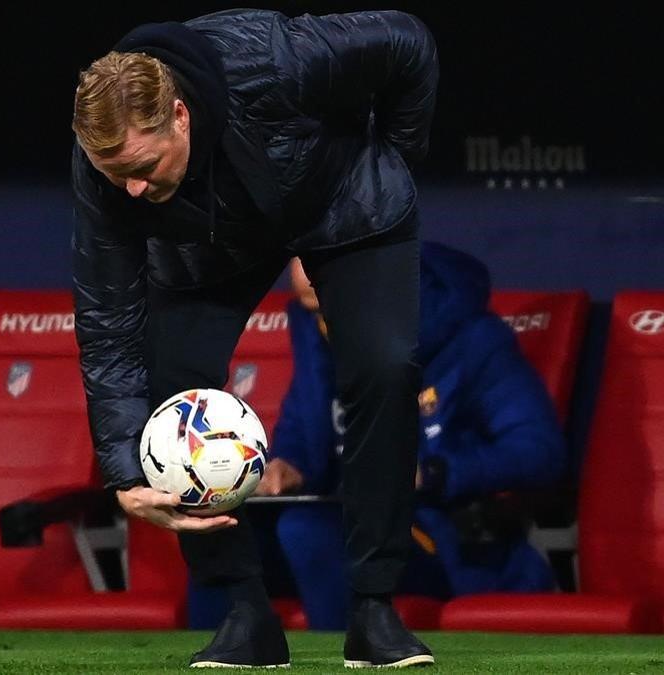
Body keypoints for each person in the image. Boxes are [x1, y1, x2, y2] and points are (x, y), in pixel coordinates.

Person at [70, 8, 439, 669]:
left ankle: (375, 607)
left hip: (340, 199)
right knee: (171, 383)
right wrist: (125, 470)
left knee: (384, 365)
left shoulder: (276, 60)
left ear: (179, 115)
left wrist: (396, 162)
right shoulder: (109, 168)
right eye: (113, 172)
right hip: (209, 245)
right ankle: (245, 612)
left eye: (143, 165)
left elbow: (407, 44)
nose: (129, 187)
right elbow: (106, 315)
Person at [256, 244, 567, 629]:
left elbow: (540, 451)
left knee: (306, 530)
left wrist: (430, 472)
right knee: (221, 529)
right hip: (344, 530)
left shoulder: (469, 339)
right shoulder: (316, 337)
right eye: (302, 255)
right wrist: (288, 467)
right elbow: (300, 435)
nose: (308, 270)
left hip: (438, 539)